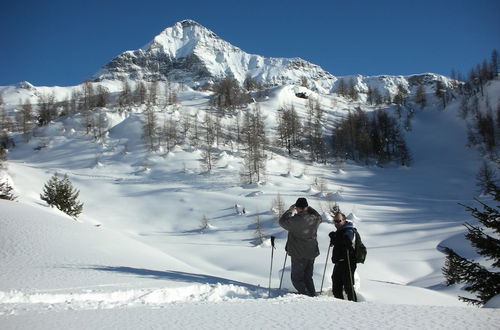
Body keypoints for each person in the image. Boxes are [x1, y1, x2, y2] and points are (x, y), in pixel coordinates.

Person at [279, 197, 322, 296]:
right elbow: (319, 217)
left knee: (297, 278)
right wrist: (309, 209)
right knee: (308, 277)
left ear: (297, 207)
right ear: (306, 207)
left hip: (298, 254)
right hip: (311, 252)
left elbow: (282, 221)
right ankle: (312, 294)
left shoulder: (294, 221)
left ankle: (306, 296)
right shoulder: (314, 219)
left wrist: (290, 210)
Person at [329, 212, 357, 301]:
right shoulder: (340, 231)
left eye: (338, 221)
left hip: (348, 262)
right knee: (336, 286)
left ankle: (354, 306)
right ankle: (340, 306)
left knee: (348, 286)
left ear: (344, 221)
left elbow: (347, 242)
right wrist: (334, 238)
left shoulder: (349, 230)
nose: (336, 223)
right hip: (339, 263)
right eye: (335, 221)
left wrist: (336, 238)